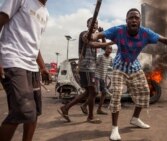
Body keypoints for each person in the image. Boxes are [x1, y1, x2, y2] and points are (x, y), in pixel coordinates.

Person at [88, 8, 167, 140]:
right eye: (131, 18)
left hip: (134, 66)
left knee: (145, 93)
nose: (134, 20)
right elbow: (98, 36)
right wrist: (91, 36)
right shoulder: (118, 30)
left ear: (140, 21)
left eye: (136, 18)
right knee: (117, 94)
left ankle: (135, 119)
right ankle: (114, 129)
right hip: (119, 66)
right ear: (126, 20)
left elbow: (165, 39)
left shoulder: (146, 33)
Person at [0, 0, 49, 141]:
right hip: (13, 60)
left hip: (32, 66)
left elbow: (35, 43)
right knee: (22, 110)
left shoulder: (45, 13)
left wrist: (43, 67)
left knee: (34, 113)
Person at [58, 17, 105, 123]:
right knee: (93, 91)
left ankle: (67, 108)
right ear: (87, 25)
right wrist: (103, 39)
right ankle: (90, 116)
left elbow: (105, 49)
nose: (94, 25)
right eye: (92, 23)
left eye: (96, 23)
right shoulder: (84, 33)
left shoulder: (97, 37)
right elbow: (88, 39)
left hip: (92, 67)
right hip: (86, 67)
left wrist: (103, 35)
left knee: (90, 92)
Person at [81, 46, 113, 115]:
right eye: (108, 48)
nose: (109, 50)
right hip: (96, 76)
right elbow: (95, 65)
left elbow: (112, 65)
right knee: (95, 93)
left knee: (104, 93)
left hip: (103, 77)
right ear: (105, 49)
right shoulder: (100, 56)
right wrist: (93, 76)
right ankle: (84, 105)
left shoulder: (110, 58)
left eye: (110, 49)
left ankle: (99, 109)